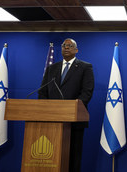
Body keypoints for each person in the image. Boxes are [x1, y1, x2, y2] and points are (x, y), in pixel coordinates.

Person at [38, 38, 94, 172]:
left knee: (73, 155)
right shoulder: (52, 68)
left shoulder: (85, 67)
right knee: (51, 154)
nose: (66, 48)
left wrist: (73, 108)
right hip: (52, 121)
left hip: (74, 121)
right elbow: (42, 92)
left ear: (76, 50)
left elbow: (87, 92)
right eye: (64, 45)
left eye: (70, 46)